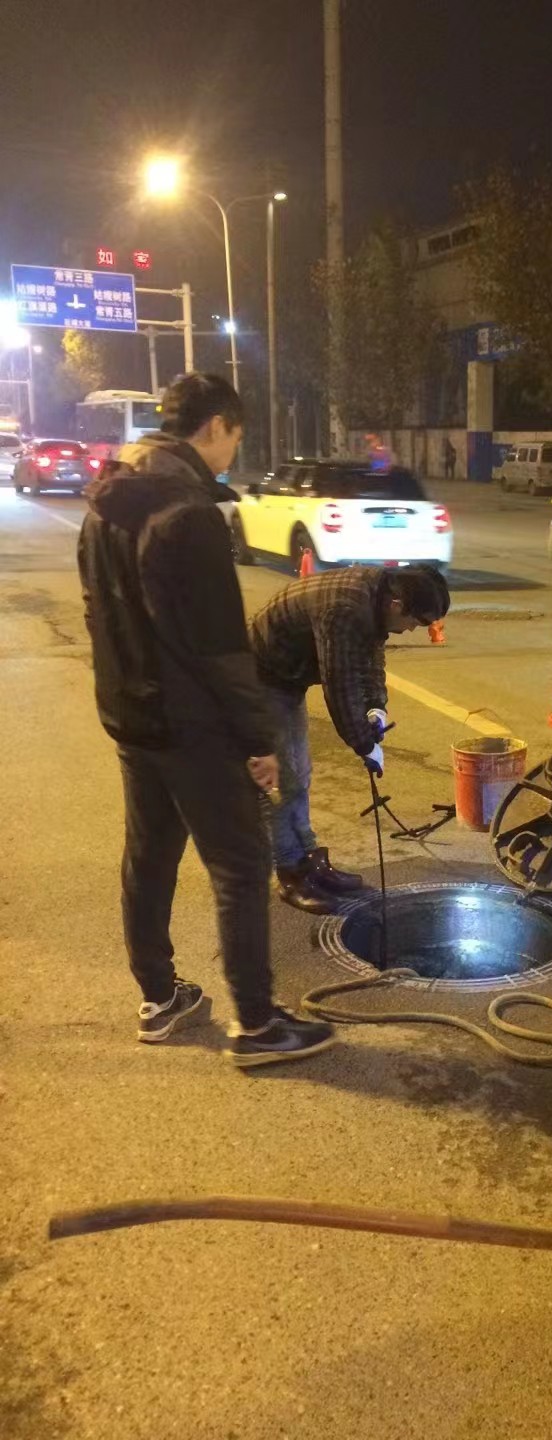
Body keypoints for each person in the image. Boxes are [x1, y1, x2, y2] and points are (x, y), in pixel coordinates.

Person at [77, 373, 336, 1068]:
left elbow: (96, 612)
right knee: (242, 865)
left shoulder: (111, 498)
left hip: (132, 715)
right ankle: (258, 1026)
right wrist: (259, 740)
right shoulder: (186, 513)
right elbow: (222, 648)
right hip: (189, 721)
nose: (231, 455)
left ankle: (160, 1000)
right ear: (216, 426)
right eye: (235, 440)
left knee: (150, 856)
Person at [249, 564, 451, 913]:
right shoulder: (345, 609)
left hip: (286, 678)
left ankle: (309, 858)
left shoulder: (376, 595)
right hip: (258, 677)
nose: (411, 631)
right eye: (415, 622)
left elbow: (370, 656)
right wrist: (364, 744)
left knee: (301, 773)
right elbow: (339, 686)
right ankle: (291, 874)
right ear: (397, 605)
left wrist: (376, 707)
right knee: (283, 781)